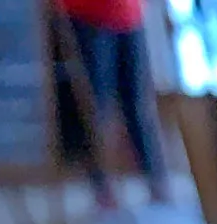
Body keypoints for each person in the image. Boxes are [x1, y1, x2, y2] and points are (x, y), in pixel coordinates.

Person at [55, 0, 170, 206]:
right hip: (88, 16)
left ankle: (156, 180)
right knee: (94, 107)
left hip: (129, 16)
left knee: (138, 104)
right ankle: (102, 186)